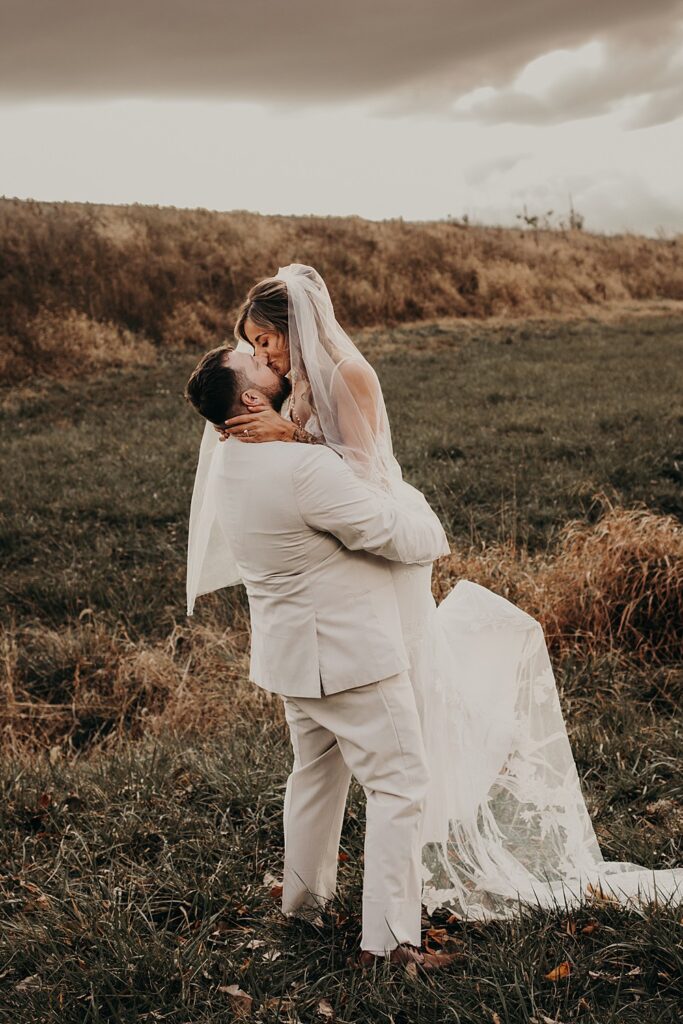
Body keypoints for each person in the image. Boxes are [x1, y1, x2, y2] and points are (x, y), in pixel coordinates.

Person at [187, 264, 682, 925]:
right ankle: (387, 936)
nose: (262, 353)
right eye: (253, 348)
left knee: (350, 753)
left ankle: (319, 904)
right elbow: (341, 498)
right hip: (348, 588)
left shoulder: (341, 379)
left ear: (294, 327)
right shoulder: (290, 400)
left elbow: (363, 475)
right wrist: (294, 438)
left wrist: (294, 436)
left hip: (349, 567)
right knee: (389, 772)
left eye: (264, 341)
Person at [184, 345, 452, 968]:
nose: (273, 362)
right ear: (252, 398)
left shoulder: (229, 459)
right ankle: (390, 945)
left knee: (315, 775)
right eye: (258, 364)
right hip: (349, 657)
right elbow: (395, 536)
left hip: (291, 657)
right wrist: (424, 517)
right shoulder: (303, 468)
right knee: (400, 784)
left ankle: (303, 905)